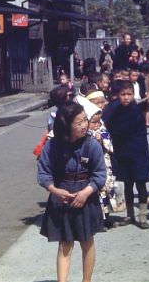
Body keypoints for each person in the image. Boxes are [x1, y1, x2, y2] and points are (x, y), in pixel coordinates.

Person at [37, 102, 106, 282]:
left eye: (85, 120)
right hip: (62, 198)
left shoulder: (92, 145)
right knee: (65, 244)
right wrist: (54, 190)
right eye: (79, 122)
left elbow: (100, 175)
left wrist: (85, 193)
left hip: (86, 197)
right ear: (66, 126)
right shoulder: (52, 146)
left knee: (87, 242)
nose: (85, 125)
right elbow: (44, 174)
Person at [103, 81, 149, 229]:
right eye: (123, 94)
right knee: (128, 185)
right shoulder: (114, 109)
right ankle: (130, 215)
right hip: (122, 152)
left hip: (138, 152)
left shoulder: (136, 110)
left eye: (129, 94)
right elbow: (107, 125)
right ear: (118, 95)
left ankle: (142, 216)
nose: (126, 97)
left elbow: (125, 129)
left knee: (141, 183)